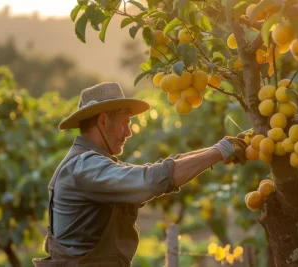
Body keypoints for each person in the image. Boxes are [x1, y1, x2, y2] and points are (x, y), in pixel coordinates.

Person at [32, 82, 248, 267]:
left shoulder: (93, 165)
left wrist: (219, 150)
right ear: (104, 121)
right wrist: (220, 151)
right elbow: (152, 179)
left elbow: (162, 167)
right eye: (125, 124)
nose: (129, 133)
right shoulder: (85, 167)